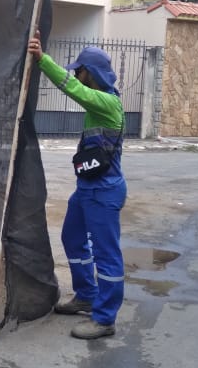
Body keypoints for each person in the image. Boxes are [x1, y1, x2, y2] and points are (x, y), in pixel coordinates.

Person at [28, 33, 126, 340]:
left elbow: (70, 88)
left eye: (78, 70)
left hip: (104, 191)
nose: (75, 74)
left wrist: (43, 59)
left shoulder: (107, 102)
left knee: (106, 254)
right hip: (87, 188)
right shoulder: (100, 101)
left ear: (90, 73)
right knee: (72, 238)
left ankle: (105, 318)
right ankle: (87, 294)